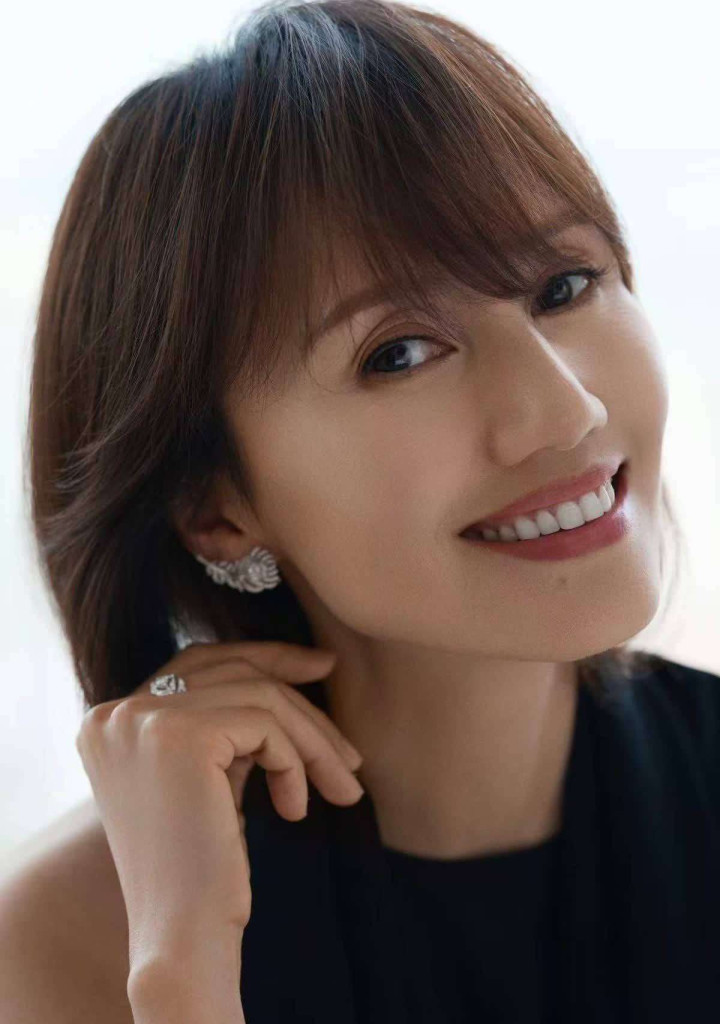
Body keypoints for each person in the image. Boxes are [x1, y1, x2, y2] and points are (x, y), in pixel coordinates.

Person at [1, 0, 718, 1021]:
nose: (566, 411)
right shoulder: (68, 945)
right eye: (401, 353)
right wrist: (180, 970)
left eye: (565, 285)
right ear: (215, 509)